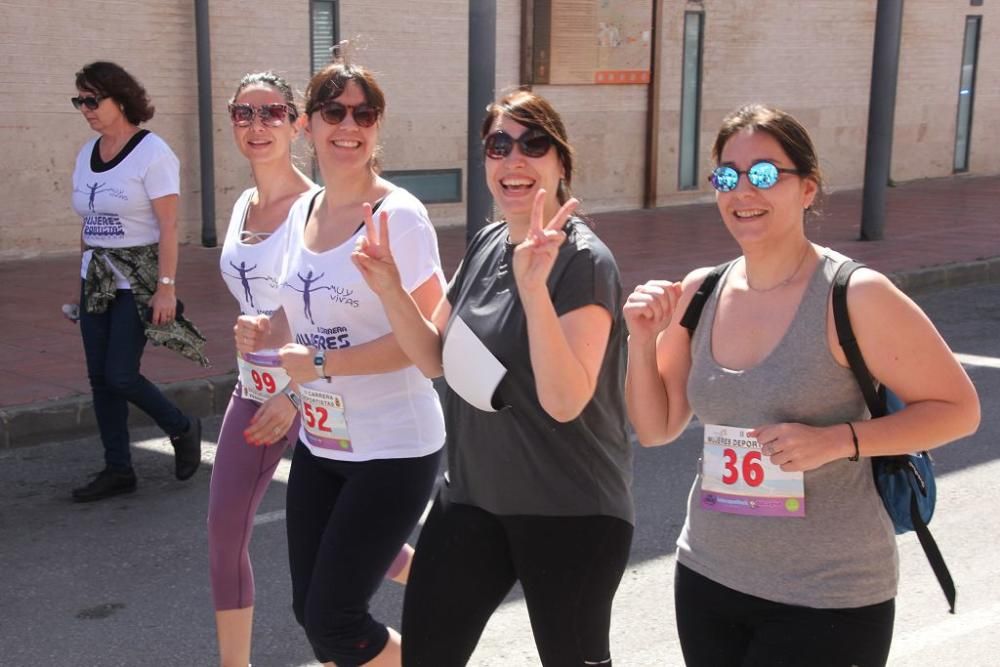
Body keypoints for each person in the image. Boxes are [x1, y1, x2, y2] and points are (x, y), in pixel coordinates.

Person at [623, 104, 981, 667]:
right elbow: (655, 427)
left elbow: (959, 409)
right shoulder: (700, 292)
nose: (744, 191)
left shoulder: (854, 295)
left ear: (808, 188)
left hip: (828, 595)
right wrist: (641, 343)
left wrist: (839, 440)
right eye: (727, 175)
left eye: (765, 174)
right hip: (709, 575)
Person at [352, 89, 634, 666]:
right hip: (473, 500)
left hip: (570, 510)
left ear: (560, 161)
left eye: (534, 144)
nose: (514, 160)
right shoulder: (485, 243)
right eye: (499, 145)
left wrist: (533, 288)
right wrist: (388, 286)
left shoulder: (584, 261)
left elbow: (564, 401)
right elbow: (435, 357)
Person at [234, 61, 444, 667]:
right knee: (312, 613)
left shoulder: (398, 216)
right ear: (307, 124)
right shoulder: (307, 209)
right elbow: (298, 305)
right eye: (334, 111)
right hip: (325, 445)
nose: (348, 125)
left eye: (364, 114)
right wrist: (266, 327)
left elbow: (428, 341)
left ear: (378, 129)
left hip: (394, 448)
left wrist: (322, 362)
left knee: (335, 618)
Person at [68, 61, 206, 503]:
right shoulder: (85, 155)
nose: (85, 109)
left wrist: (167, 287)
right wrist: (84, 280)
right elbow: (88, 224)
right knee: (98, 378)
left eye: (93, 100)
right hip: (98, 281)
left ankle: (183, 428)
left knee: (121, 375)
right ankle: (117, 468)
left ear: (120, 98)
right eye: (80, 101)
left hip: (139, 281)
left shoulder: (152, 153)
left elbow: (168, 226)